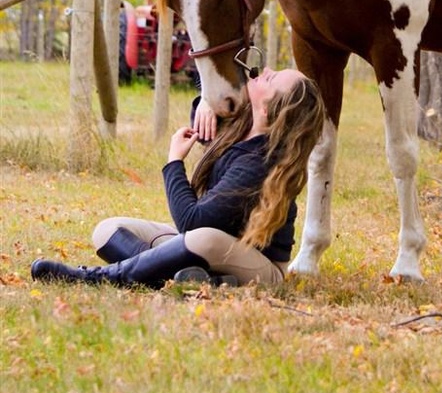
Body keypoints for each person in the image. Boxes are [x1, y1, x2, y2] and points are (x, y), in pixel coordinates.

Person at [31, 68, 324, 289]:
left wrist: (174, 161)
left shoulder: (259, 162)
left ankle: (97, 278)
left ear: (267, 109)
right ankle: (191, 280)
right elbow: (211, 92)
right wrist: (207, 103)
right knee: (106, 230)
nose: (266, 71)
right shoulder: (243, 124)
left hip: (259, 268)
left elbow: (191, 222)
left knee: (204, 238)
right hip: (203, 248)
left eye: (271, 80)